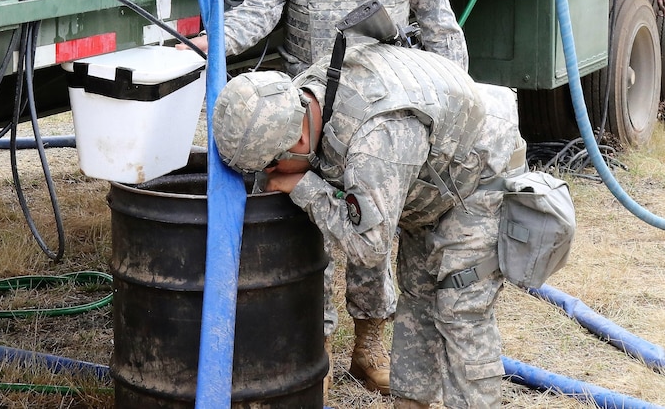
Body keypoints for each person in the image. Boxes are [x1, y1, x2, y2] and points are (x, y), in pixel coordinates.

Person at [182, 0, 469, 393]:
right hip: (308, 117)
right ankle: (315, 351)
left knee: (371, 230)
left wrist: (453, 96)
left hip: (382, 112)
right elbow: (259, 12)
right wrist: (210, 39)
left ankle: (370, 345)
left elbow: (440, 25)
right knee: (312, 230)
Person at [212, 43, 526, 409]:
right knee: (418, 297)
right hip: (427, 173)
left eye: (268, 168)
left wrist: (304, 187)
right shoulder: (296, 98)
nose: (267, 181)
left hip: (480, 178)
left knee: (461, 309)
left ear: (297, 141)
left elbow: (369, 249)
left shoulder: (374, 144)